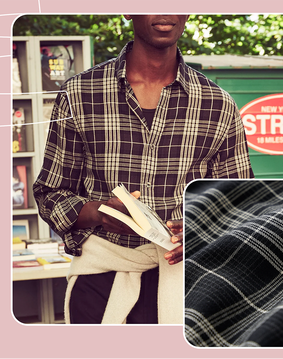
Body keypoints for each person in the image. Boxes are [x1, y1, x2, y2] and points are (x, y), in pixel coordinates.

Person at [33, 14, 254, 325]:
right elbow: (50, 194)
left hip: (188, 283)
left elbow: (241, 203)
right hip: (101, 280)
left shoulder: (218, 104)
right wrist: (99, 212)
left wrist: (201, 228)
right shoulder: (79, 94)